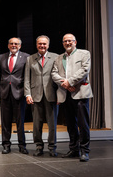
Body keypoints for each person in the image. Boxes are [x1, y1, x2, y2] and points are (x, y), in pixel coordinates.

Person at [51, 33, 93, 162]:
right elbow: (54, 73)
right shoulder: (59, 58)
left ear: (75, 42)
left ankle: (84, 150)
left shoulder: (84, 53)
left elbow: (85, 70)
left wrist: (70, 82)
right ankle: (74, 149)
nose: (67, 43)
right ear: (63, 43)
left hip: (80, 93)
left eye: (70, 41)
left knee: (83, 124)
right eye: (65, 41)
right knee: (70, 124)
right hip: (65, 94)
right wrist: (65, 83)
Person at [24, 35, 58, 157]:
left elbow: (59, 77)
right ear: (37, 45)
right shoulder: (30, 59)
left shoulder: (55, 57)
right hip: (35, 95)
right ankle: (38, 146)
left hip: (51, 95)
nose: (42, 46)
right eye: (40, 44)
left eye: (44, 44)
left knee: (52, 124)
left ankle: (52, 147)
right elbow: (27, 79)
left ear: (48, 45)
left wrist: (59, 94)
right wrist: (27, 94)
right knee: (36, 124)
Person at [0, 37, 29, 154]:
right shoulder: (2, 57)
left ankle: (22, 145)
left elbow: (27, 75)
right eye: (11, 43)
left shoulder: (26, 57)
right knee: (5, 122)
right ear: (8, 45)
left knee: (20, 122)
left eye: (16, 44)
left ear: (20, 46)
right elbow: (0, 74)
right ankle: (6, 145)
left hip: (19, 93)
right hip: (5, 93)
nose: (13, 45)